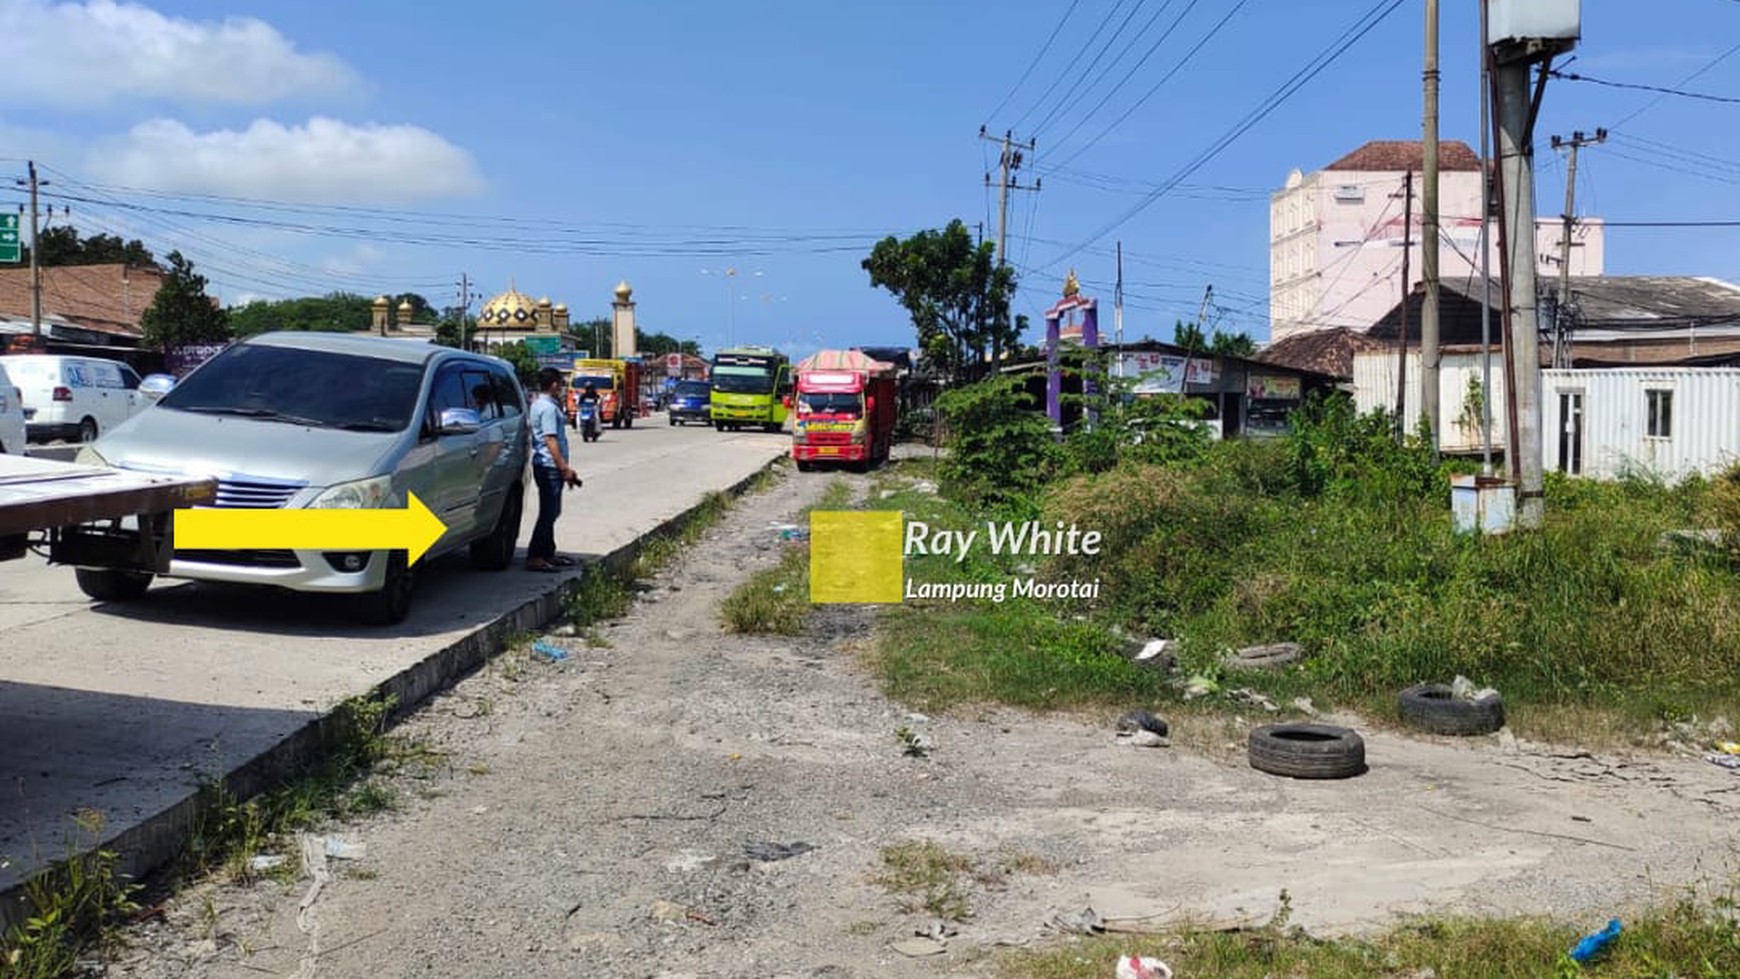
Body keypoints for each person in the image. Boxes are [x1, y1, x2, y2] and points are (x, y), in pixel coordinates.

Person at [527, 368, 580, 573]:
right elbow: (550, 439)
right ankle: (535, 556)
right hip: (549, 465)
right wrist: (563, 467)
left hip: (547, 464)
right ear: (554, 384)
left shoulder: (541, 404)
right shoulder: (548, 408)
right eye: (560, 383)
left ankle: (548, 552)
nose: (561, 387)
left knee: (551, 510)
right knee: (549, 512)